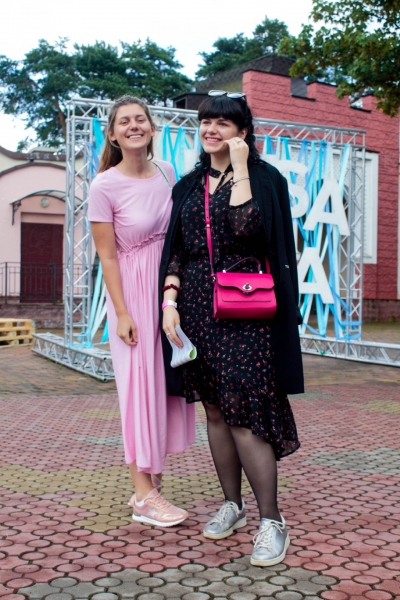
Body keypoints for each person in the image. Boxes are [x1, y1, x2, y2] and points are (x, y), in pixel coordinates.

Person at [159, 91, 303, 565]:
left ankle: (272, 521)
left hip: (246, 310)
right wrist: (169, 301)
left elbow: (249, 230)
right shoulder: (187, 186)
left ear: (243, 131)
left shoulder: (265, 178)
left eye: (223, 122)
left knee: (245, 411)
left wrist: (239, 167)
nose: (211, 129)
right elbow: (177, 251)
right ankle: (232, 505)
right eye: (206, 121)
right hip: (197, 309)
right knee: (216, 412)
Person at [88, 95, 195, 528]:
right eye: (124, 122)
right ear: (113, 134)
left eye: (140, 119)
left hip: (167, 292)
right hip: (132, 293)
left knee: (164, 386)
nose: (133, 126)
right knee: (136, 391)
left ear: (152, 128)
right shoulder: (104, 185)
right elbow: (107, 256)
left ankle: (151, 484)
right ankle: (144, 495)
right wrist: (122, 312)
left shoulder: (167, 172)